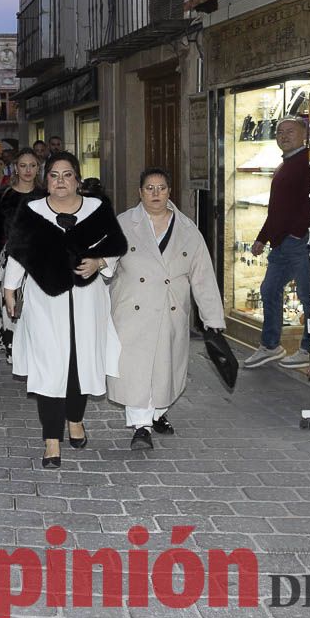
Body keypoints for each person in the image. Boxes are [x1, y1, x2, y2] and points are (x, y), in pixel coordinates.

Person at [3, 152, 127, 468]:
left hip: (88, 301)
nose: (61, 181)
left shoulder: (97, 209)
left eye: (67, 174)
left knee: (80, 362)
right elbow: (18, 253)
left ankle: (75, 418)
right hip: (46, 300)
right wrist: (9, 289)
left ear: (78, 179)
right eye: (55, 175)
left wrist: (100, 262)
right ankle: (51, 439)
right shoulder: (31, 211)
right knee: (49, 366)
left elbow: (115, 246)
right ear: (46, 180)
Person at [107, 167, 226, 451]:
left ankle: (158, 413)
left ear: (169, 191)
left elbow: (203, 277)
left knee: (165, 369)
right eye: (149, 188)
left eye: (161, 188)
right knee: (135, 370)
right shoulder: (123, 223)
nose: (156, 193)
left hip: (170, 310)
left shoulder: (187, 230)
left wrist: (213, 320)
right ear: (140, 192)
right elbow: (105, 263)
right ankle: (141, 427)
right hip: (132, 310)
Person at [242, 117, 310, 370]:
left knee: (307, 297)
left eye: (290, 131)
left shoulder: (307, 163)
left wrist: (297, 232)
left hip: (298, 243)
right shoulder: (285, 164)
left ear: (304, 133)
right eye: (280, 132)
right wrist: (263, 237)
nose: (284, 136)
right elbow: (277, 210)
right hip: (281, 244)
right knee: (269, 289)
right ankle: (271, 345)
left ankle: (308, 348)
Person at [0, 149, 43, 354]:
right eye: (23, 165)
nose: (28, 170)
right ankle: (17, 352)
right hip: (9, 261)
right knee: (12, 310)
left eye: (32, 165)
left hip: (39, 263)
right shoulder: (5, 195)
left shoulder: (46, 195)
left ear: (38, 168)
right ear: (16, 168)